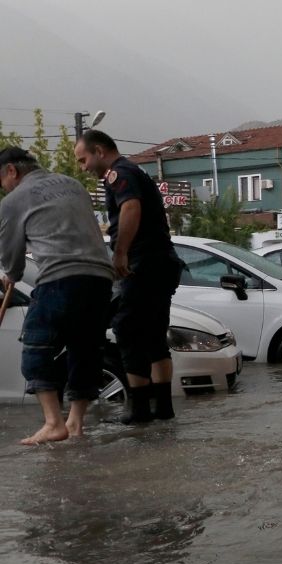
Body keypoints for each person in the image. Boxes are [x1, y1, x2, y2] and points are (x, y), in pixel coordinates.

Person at [0, 147, 115, 444]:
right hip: (101, 278)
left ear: (11, 171)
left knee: (35, 348)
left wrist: (11, 275)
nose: (3, 186)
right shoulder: (72, 184)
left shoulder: (13, 200)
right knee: (85, 350)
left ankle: (53, 422)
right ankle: (75, 424)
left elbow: (11, 254)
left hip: (62, 277)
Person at [74, 130, 183, 424]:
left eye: (83, 160)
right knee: (153, 335)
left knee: (127, 328)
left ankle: (139, 408)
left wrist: (120, 252)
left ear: (99, 151)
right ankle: (162, 407)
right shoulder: (135, 170)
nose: (83, 167)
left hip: (143, 264)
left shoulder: (119, 173)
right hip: (163, 263)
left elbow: (131, 207)